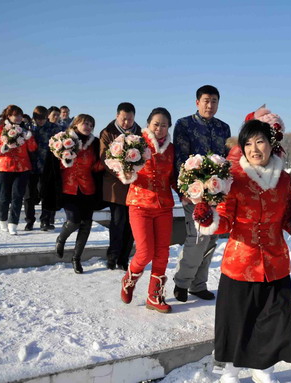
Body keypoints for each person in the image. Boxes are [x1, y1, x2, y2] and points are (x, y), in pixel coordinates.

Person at [194, 118, 291, 383]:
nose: (254, 148)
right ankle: (230, 370)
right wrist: (208, 219)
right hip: (241, 262)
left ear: (270, 145)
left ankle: (264, 368)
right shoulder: (234, 179)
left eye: (259, 141)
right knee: (237, 320)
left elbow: (288, 217)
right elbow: (226, 221)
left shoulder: (284, 180)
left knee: (272, 320)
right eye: (248, 143)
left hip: (275, 263)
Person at [172, 85, 231, 302]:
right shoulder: (184, 125)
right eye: (206, 100)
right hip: (194, 192)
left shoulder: (223, 128)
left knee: (212, 238)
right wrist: (185, 190)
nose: (210, 105)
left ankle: (199, 284)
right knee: (196, 237)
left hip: (217, 192)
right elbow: (179, 158)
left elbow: (226, 161)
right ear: (197, 102)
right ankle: (182, 282)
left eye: (214, 101)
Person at [120, 107, 175, 313]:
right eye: (156, 124)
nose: (160, 128)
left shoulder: (171, 149)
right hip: (140, 203)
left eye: (164, 125)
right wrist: (124, 171)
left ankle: (155, 296)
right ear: (149, 124)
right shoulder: (135, 142)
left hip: (164, 205)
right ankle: (129, 279)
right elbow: (121, 168)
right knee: (145, 252)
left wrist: (188, 192)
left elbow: (172, 176)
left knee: (162, 253)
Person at [41, 114, 104, 274]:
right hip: (68, 188)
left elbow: (95, 167)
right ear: (76, 124)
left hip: (88, 188)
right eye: (85, 123)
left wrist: (105, 163)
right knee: (74, 220)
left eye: (91, 124)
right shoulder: (63, 139)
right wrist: (62, 159)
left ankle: (76, 258)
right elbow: (54, 164)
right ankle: (61, 239)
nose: (88, 126)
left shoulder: (95, 143)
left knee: (86, 225)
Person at [99, 102, 142, 271]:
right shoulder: (108, 132)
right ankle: (112, 256)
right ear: (117, 116)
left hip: (134, 185)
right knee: (117, 222)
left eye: (130, 120)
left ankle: (124, 258)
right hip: (115, 184)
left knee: (131, 224)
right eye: (124, 119)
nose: (126, 123)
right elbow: (104, 158)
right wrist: (120, 173)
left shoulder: (140, 133)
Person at [0, 105, 38, 235]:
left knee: (17, 196)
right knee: (4, 196)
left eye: (19, 115)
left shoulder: (24, 130)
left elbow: (33, 148)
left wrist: (29, 138)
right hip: (3, 166)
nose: (18, 117)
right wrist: (4, 147)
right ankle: (2, 220)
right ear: (8, 116)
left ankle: (14, 223)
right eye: (14, 115)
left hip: (22, 167)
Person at [24, 106, 63, 231]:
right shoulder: (29, 128)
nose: (40, 121)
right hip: (30, 166)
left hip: (47, 166)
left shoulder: (54, 128)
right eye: (37, 118)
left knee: (46, 194)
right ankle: (29, 220)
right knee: (29, 196)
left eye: (42, 118)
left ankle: (45, 220)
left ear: (46, 117)